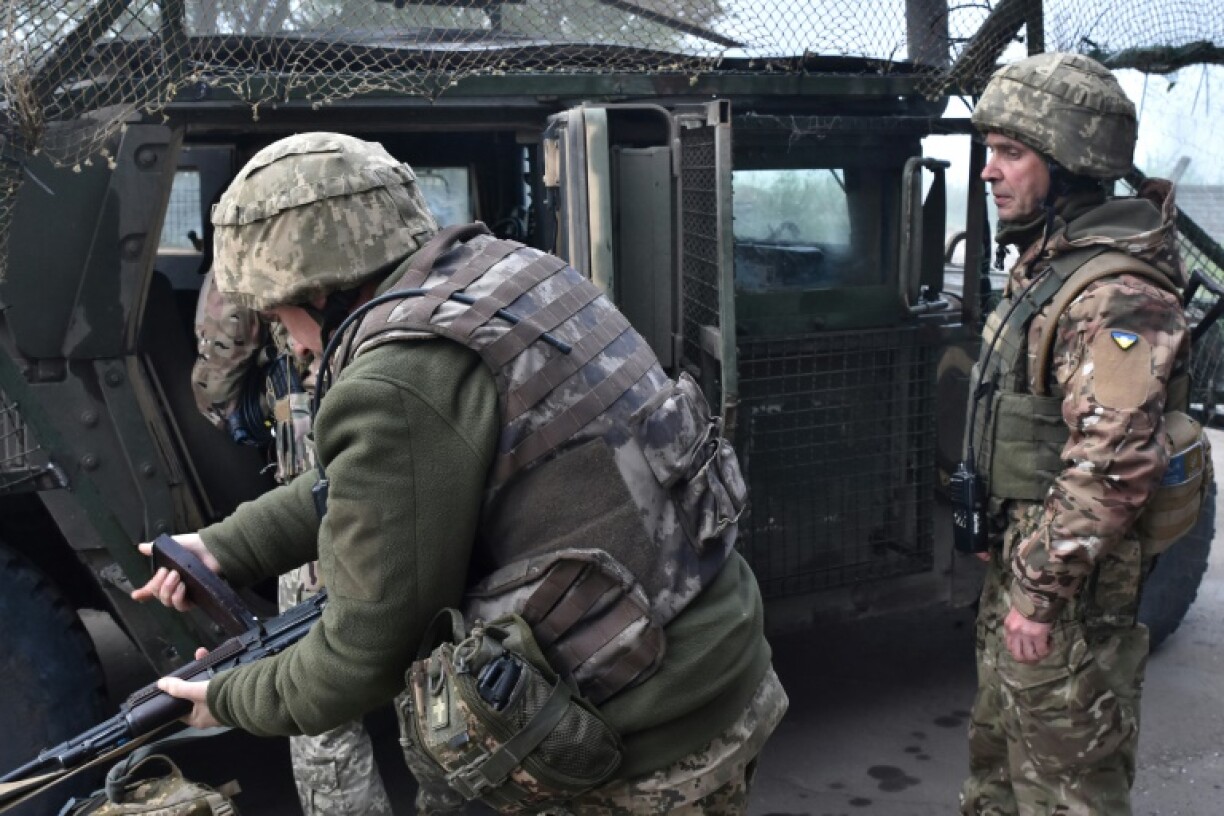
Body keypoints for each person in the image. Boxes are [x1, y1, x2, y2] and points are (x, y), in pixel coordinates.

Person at [134, 131, 787, 815]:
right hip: (724, 662)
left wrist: (222, 699)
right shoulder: (512, 276)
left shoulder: (396, 379)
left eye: (278, 317)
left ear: (319, 290)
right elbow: (366, 486)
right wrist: (222, 548)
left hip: (644, 743)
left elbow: (357, 662)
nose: (292, 344)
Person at [959, 53, 1196, 815]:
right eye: (988, 151)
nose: (989, 172)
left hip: (1073, 595)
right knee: (998, 765)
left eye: (1011, 153)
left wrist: (1037, 592)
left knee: (1068, 790)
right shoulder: (1052, 264)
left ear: (1069, 166)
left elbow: (1114, 461)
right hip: (1032, 564)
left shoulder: (1117, 295)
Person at [190, 270, 394, 816]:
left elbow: (217, 393)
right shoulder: (385, 235)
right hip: (399, 491)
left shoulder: (247, 264)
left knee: (320, 716)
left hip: (314, 514)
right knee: (434, 692)